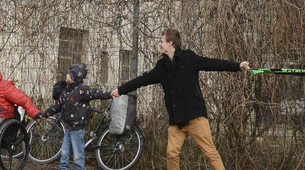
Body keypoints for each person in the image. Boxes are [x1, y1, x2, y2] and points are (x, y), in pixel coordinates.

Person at [111, 28, 250, 170]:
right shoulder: (162, 67)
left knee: (210, 153)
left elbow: (212, 63)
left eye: (162, 41)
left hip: (195, 117)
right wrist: (121, 90)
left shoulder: (189, 58)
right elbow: (143, 79)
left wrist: (238, 66)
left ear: (171, 43)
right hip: (176, 120)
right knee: (171, 153)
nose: (159, 44)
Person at [36, 63, 112, 170]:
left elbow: (95, 93)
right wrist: (46, 114)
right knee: (64, 152)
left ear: (74, 77)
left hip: (78, 128)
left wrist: (109, 95)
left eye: (69, 73)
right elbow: (57, 105)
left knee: (77, 154)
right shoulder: (66, 91)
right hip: (68, 127)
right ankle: (63, 168)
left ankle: (80, 168)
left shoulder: (82, 90)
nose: (66, 75)